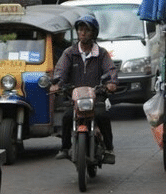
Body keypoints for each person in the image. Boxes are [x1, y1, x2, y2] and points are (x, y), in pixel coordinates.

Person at [50, 14, 118, 164]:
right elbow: (60, 71)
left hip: (96, 96)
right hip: (74, 97)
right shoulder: (69, 53)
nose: (82, 33)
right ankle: (65, 147)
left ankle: (108, 148)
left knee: (103, 116)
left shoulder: (101, 53)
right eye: (80, 29)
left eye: (86, 30)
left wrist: (111, 83)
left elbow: (110, 70)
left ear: (93, 33)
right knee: (67, 116)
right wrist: (57, 84)